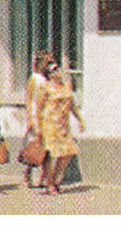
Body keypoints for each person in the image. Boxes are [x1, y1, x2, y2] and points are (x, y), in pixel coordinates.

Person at [35, 58, 83, 194]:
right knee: (51, 154)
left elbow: (72, 104)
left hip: (63, 125)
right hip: (49, 123)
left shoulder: (66, 85)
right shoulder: (45, 87)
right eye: (53, 70)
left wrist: (80, 119)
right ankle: (50, 184)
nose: (57, 71)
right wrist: (37, 126)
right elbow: (39, 107)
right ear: (49, 75)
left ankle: (55, 179)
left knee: (68, 152)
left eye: (58, 68)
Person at [23, 50, 55, 188]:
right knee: (35, 148)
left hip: (47, 117)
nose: (48, 65)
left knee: (47, 149)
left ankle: (45, 178)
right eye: (46, 62)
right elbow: (29, 100)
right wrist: (30, 119)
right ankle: (28, 173)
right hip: (36, 117)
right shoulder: (35, 78)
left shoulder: (49, 79)